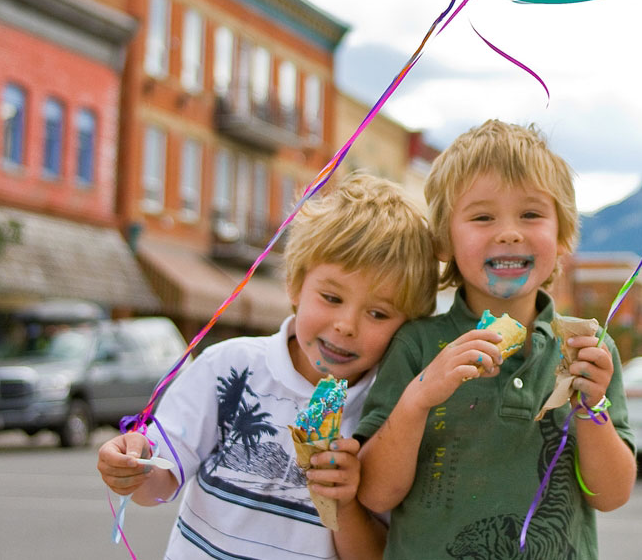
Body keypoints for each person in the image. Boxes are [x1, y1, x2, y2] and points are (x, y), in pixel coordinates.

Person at [97, 173, 439, 560]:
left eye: (378, 313)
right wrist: (134, 468)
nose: (346, 325)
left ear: (407, 326)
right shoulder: (229, 368)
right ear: (295, 284)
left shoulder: (390, 420)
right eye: (331, 297)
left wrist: (344, 503)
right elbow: (158, 486)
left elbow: (371, 555)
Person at [356, 120, 636, 560]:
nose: (509, 232)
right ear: (445, 240)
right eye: (483, 216)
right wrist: (420, 396)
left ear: (563, 235)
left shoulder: (588, 350)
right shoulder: (416, 345)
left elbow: (611, 495)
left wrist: (591, 406)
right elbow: (375, 495)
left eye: (531, 214)